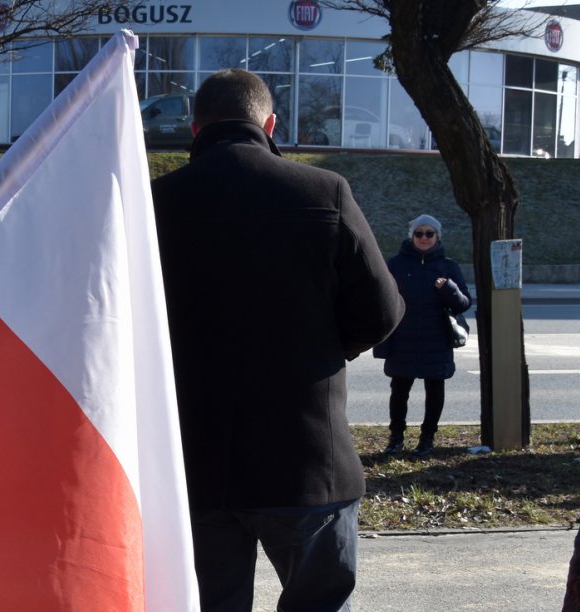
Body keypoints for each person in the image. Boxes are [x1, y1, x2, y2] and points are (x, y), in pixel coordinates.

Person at [150, 69, 403, 612]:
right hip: (307, 461)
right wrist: (325, 347)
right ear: (269, 123)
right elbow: (383, 310)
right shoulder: (324, 192)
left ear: (195, 128)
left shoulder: (155, 203)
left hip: (192, 462)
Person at [373, 215, 472, 457]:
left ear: (438, 236)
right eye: (419, 233)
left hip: (436, 339)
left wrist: (448, 288)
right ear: (412, 236)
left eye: (429, 234)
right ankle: (396, 437)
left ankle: (427, 438)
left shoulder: (448, 267)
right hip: (403, 338)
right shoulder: (395, 264)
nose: (424, 238)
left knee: (435, 390)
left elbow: (463, 304)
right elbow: (381, 298)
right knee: (399, 391)